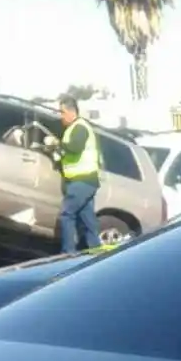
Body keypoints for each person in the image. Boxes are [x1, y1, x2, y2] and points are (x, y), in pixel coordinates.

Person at [52, 97, 101, 252]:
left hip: (82, 180)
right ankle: (96, 250)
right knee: (87, 219)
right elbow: (69, 153)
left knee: (67, 214)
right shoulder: (73, 129)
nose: (61, 116)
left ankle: (67, 253)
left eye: (63, 112)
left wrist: (57, 144)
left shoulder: (80, 127)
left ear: (72, 112)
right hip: (84, 181)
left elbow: (75, 147)